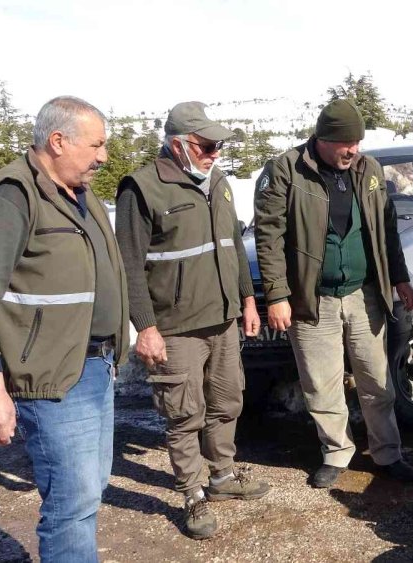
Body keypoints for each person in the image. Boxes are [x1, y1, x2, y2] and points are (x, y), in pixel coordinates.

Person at [0, 96, 129, 562]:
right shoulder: (10, 198)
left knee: (90, 490)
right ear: (58, 141)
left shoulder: (79, 194)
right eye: (96, 145)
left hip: (95, 366)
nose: (103, 157)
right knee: (71, 505)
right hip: (52, 377)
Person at [115, 101, 268, 540]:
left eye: (218, 145)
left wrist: (247, 301)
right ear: (178, 144)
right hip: (174, 326)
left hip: (223, 319)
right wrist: (145, 326)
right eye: (207, 145)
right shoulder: (141, 189)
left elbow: (235, 247)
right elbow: (129, 264)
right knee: (184, 413)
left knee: (227, 401)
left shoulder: (217, 182)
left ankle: (221, 476)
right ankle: (192, 493)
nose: (215, 152)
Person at [254, 99, 413, 488]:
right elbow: (269, 236)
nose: (353, 150)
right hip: (313, 299)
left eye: (358, 142)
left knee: (376, 377)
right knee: (321, 382)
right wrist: (278, 295)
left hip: (364, 296)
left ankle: (387, 453)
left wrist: (400, 277)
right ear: (323, 138)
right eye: (346, 142)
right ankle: (336, 452)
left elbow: (387, 228)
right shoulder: (287, 170)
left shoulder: (370, 170)